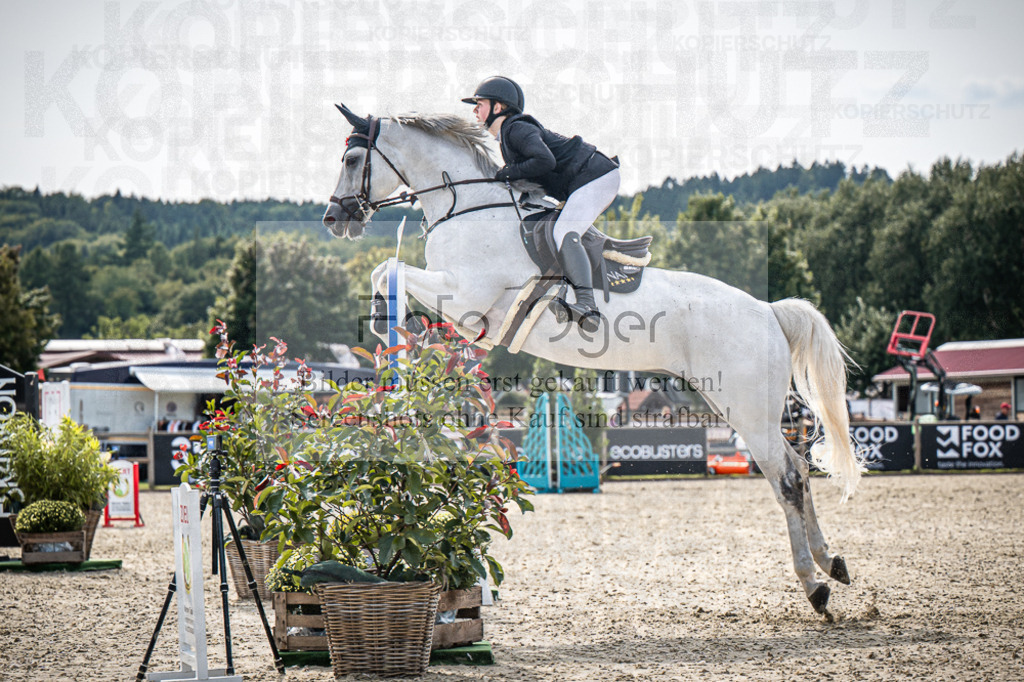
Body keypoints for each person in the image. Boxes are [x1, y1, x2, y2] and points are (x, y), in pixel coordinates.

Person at [462, 76, 620, 333]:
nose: (475, 110)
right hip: (584, 180)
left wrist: (507, 172)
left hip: (596, 176)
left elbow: (545, 161)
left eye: (479, 103)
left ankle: (587, 306)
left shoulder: (516, 128)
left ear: (498, 107)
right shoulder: (507, 136)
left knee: (563, 232)